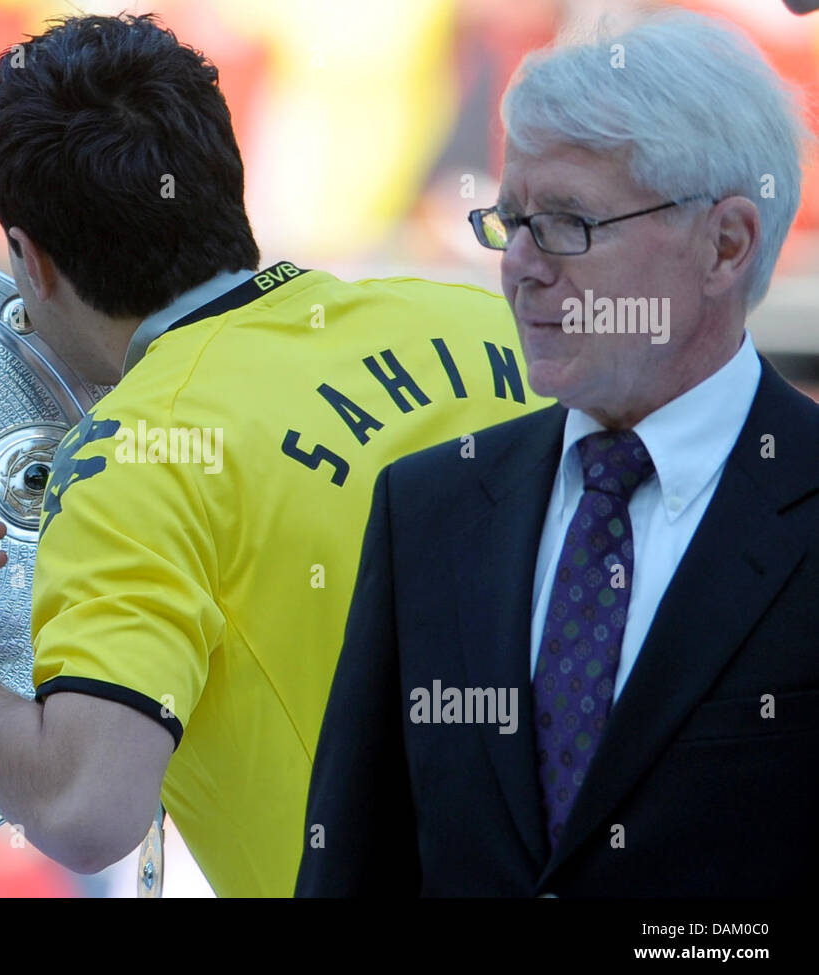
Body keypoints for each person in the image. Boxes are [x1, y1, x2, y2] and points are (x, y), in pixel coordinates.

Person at [0, 12, 549, 898]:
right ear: (226, 182)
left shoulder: (133, 458)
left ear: (30, 262)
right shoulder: (489, 321)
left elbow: (86, 807)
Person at [297, 9, 818, 897]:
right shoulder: (429, 508)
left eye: (570, 222)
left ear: (725, 244)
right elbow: (354, 864)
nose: (523, 265)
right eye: (510, 221)